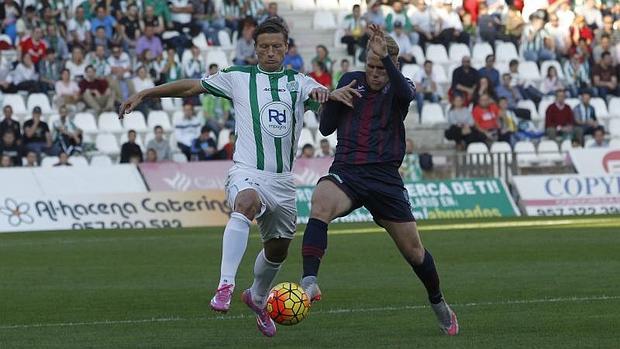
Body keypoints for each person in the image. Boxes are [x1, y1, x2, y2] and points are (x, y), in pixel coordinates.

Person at [118, 18, 329, 337]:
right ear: (254, 49)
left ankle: (257, 296)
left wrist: (329, 97)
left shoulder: (301, 83)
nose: (270, 52)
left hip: (284, 182)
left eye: (276, 47)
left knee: (278, 250)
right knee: (246, 202)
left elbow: (325, 101)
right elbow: (192, 86)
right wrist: (148, 93)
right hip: (247, 171)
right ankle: (225, 285)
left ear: (286, 48)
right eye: (264, 47)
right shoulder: (238, 77)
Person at [298, 24, 459, 336]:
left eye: (380, 67)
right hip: (348, 170)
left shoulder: (401, 88)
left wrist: (387, 59)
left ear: (391, 66)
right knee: (320, 203)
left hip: (385, 179)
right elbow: (326, 130)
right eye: (369, 66)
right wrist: (331, 99)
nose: (373, 73)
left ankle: (438, 302)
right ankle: (309, 283)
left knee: (415, 253)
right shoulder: (351, 81)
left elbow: (404, 92)